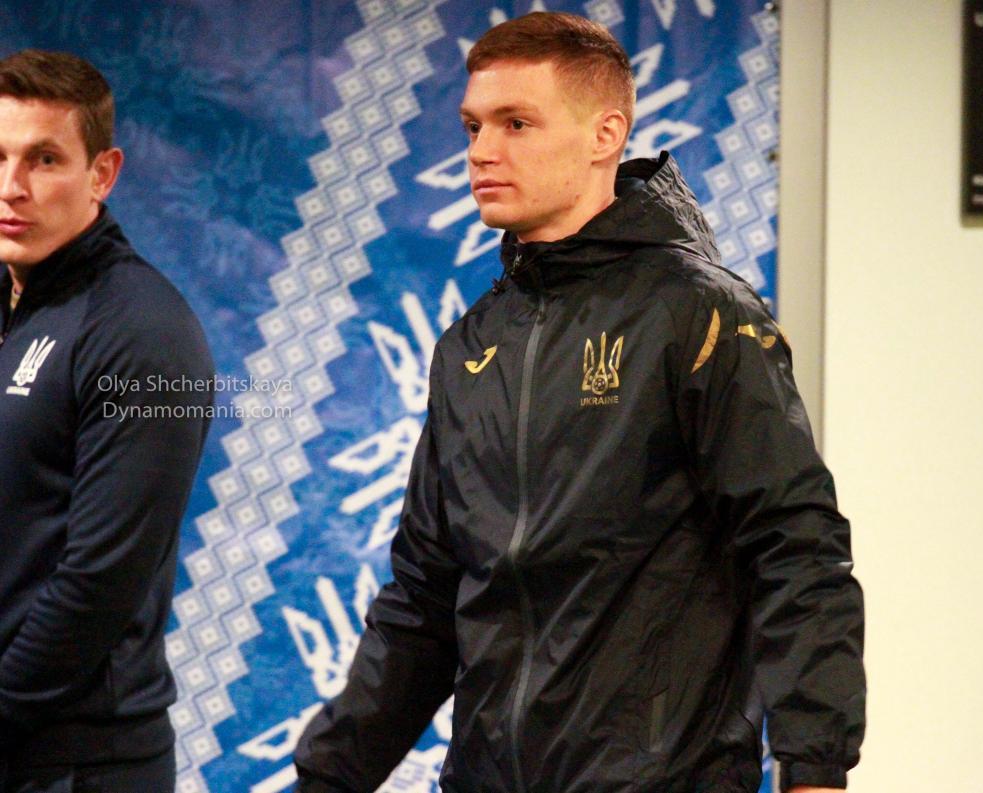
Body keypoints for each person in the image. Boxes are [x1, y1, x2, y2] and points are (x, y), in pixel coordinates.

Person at [296, 12, 864, 793]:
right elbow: (423, 600)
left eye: (516, 123)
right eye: (472, 126)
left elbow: (795, 549)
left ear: (605, 135)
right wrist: (327, 777)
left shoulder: (701, 314)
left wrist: (816, 767)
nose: (481, 151)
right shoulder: (469, 346)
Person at [0, 50, 213, 792]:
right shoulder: (12, 301)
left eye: (44, 159)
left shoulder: (143, 330)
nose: (11, 186)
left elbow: (97, 582)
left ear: (102, 173)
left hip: (79, 767)